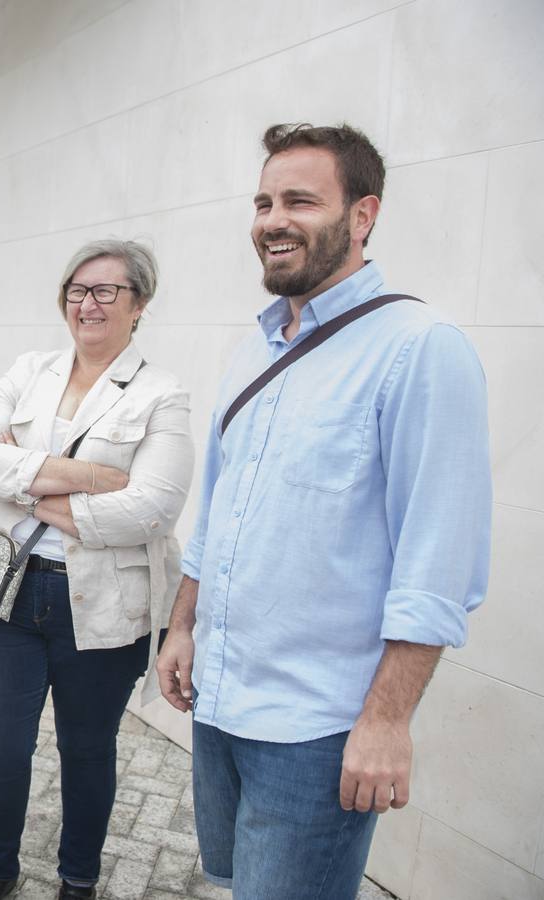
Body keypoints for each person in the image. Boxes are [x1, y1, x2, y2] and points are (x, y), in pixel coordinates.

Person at [155, 123, 492, 900]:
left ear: (363, 215)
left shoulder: (420, 348)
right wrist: (183, 626)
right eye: (264, 201)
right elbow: (218, 514)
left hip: (318, 731)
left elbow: (437, 564)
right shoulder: (256, 350)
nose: (272, 219)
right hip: (223, 700)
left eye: (300, 200)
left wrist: (386, 721)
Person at [0, 239, 193, 900]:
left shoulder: (161, 394)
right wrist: (92, 480)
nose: (86, 303)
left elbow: (153, 507)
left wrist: (23, 482)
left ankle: (78, 880)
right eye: (76, 290)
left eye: (105, 291)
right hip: (6, 586)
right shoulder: (29, 369)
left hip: (103, 604)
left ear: (138, 304)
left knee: (87, 751)